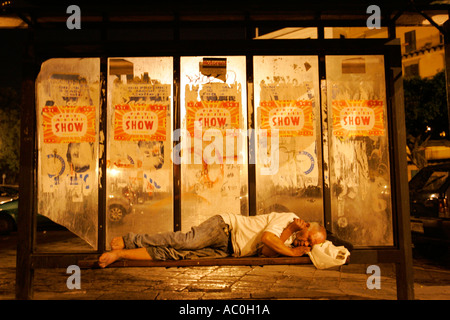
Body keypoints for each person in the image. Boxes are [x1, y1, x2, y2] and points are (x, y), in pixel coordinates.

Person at [98, 212, 327, 268]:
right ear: (305, 226)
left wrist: (290, 246)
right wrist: (294, 253)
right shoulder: (290, 219)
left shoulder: (289, 240)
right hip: (225, 228)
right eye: (308, 240)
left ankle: (120, 254)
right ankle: (131, 240)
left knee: (177, 255)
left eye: (310, 246)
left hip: (230, 250)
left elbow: (265, 253)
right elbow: (267, 238)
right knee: (185, 242)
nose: (305, 245)